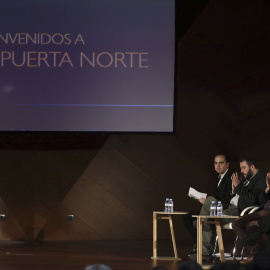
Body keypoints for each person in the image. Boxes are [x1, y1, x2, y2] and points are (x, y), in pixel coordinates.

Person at [189, 157, 266, 261]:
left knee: (209, 209)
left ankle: (205, 250)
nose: (241, 171)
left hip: (238, 210)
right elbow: (241, 193)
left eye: (243, 168)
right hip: (231, 207)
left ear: (252, 167)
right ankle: (204, 248)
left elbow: (253, 199)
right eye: (241, 168)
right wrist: (234, 192)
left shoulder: (261, 178)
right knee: (207, 217)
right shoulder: (247, 178)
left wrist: (238, 187)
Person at [182, 153, 234, 255]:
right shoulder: (220, 177)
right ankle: (199, 245)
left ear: (227, 164)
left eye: (221, 163)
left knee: (201, 218)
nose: (218, 166)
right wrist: (205, 201)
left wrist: (208, 201)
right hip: (215, 207)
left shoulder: (231, 177)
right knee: (188, 217)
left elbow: (228, 201)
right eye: (216, 163)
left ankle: (204, 249)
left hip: (224, 209)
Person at [232, 172, 270, 264]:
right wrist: (267, 189)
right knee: (236, 223)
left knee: (250, 226)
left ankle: (255, 255)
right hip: (262, 212)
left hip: (267, 214)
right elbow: (260, 200)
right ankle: (255, 253)